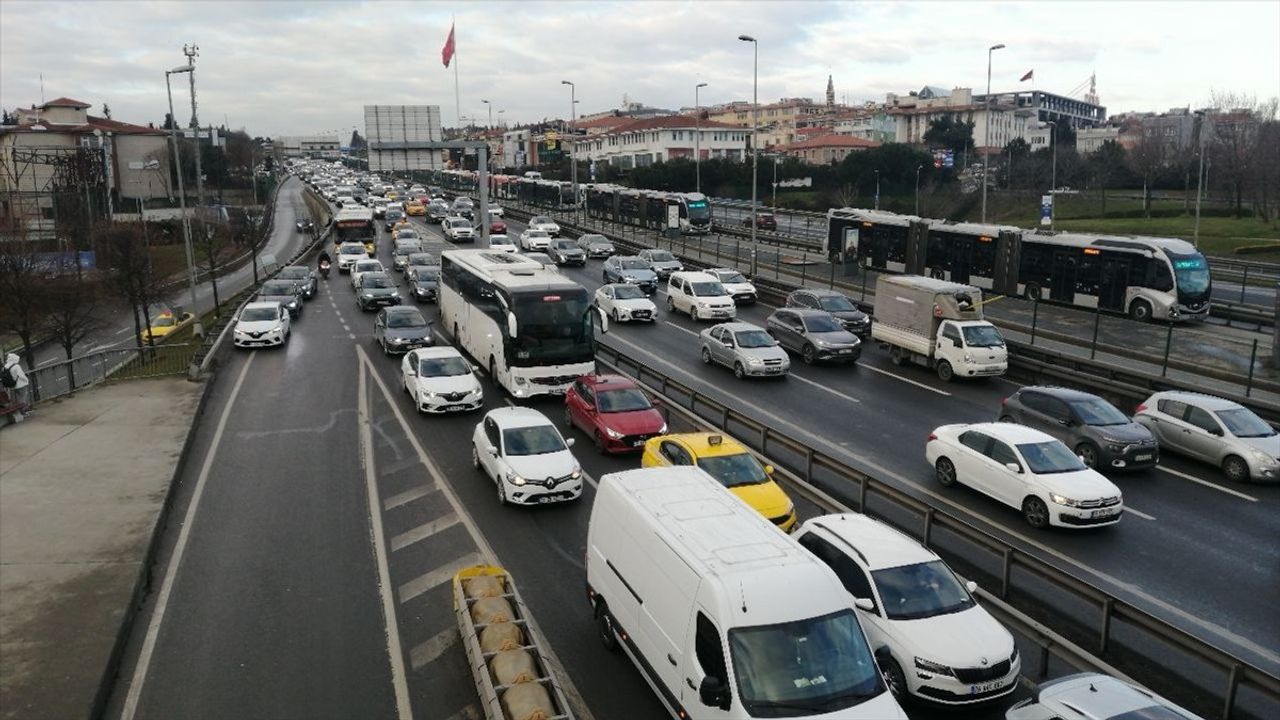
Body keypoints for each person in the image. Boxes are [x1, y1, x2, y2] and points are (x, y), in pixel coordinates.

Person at [3, 353, 30, 422]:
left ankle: (22, 411)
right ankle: (23, 412)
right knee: (23, 398)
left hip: (13, 385)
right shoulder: (16, 366)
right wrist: (26, 380)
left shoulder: (5, 367)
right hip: (21, 384)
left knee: (18, 399)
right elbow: (21, 375)